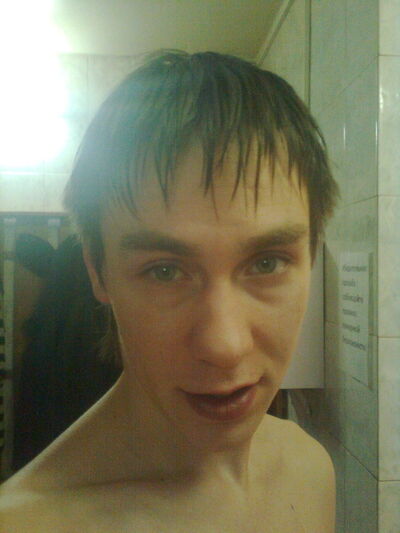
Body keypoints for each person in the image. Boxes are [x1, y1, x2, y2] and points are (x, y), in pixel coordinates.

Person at [0, 50, 339, 532]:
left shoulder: (308, 469)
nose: (224, 346)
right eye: (164, 271)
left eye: (266, 263)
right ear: (98, 271)